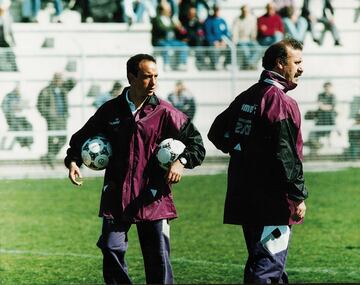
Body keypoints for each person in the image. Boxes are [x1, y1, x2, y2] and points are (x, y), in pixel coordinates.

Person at [64, 54, 205, 284]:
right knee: (111, 248)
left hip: (153, 197)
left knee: (158, 261)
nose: (154, 83)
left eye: (156, 76)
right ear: (131, 77)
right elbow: (81, 138)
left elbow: (196, 144)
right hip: (117, 194)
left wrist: (181, 162)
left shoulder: (166, 111)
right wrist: (73, 161)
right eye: (147, 77)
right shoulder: (110, 110)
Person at [208, 38, 308, 283]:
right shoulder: (280, 101)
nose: (302, 67)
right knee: (267, 266)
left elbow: (216, 132)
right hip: (272, 200)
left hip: (244, 196)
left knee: (266, 262)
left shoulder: (249, 95)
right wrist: (297, 194)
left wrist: (242, 150)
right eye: (297, 62)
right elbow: (285, 154)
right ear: (280, 64)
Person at [37, 72, 76, 168]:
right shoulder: (46, 90)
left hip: (63, 118)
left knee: (63, 139)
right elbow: (40, 105)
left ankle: (48, 157)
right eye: (59, 79)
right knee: (51, 140)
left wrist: (65, 75)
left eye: (61, 79)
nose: (60, 81)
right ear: (54, 79)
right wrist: (49, 115)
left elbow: (74, 82)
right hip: (52, 120)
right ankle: (51, 161)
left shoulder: (64, 89)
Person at [151, 1, 189, 71]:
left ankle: (182, 63)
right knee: (166, 47)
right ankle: (166, 64)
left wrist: (180, 28)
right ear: (162, 10)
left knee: (184, 45)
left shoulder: (171, 19)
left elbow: (180, 31)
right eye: (168, 9)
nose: (170, 11)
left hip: (171, 40)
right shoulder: (157, 19)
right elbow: (162, 28)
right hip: (160, 41)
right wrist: (174, 26)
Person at [306, 81, 337, 153]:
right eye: (326, 87)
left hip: (330, 120)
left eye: (329, 87)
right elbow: (320, 105)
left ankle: (329, 148)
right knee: (314, 133)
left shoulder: (333, 96)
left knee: (329, 135)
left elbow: (332, 106)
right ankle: (317, 147)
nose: (327, 89)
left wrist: (324, 107)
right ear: (324, 87)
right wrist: (326, 107)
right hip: (320, 119)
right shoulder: (320, 95)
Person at [1, 83, 33, 149]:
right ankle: (23, 144)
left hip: (21, 117)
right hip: (12, 118)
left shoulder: (21, 96)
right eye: (17, 88)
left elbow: (27, 106)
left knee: (29, 126)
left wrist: (24, 107)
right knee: (19, 127)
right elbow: (4, 107)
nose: (18, 90)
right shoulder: (9, 96)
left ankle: (28, 143)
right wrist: (12, 109)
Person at [231, 4, 261, 70]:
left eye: (246, 11)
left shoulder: (252, 18)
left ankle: (250, 63)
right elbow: (234, 32)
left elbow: (254, 30)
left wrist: (254, 37)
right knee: (245, 50)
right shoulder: (237, 19)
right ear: (241, 11)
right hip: (240, 40)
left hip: (250, 40)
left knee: (258, 49)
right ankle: (250, 65)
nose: (245, 12)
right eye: (244, 11)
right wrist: (235, 41)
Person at [203, 5, 231, 70]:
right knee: (214, 47)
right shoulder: (208, 21)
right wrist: (214, 41)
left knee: (231, 47)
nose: (217, 12)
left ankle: (227, 64)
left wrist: (224, 41)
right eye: (216, 10)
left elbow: (226, 32)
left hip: (222, 41)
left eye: (218, 10)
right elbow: (208, 33)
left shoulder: (222, 21)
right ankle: (215, 64)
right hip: (213, 41)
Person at [0, 0, 18, 72]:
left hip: (5, 41)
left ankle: (16, 71)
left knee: (11, 55)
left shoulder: (7, 17)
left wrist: (13, 42)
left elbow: (9, 31)